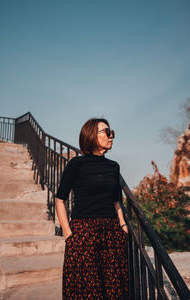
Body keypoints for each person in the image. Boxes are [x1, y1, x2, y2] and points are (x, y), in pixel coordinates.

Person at [55, 118, 130, 300]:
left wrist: (122, 225)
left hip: (111, 232)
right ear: (91, 136)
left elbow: (116, 202)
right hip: (84, 232)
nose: (111, 136)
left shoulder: (114, 167)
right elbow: (59, 199)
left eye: (112, 132)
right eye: (106, 132)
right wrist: (68, 234)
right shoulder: (76, 164)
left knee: (114, 289)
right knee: (86, 291)